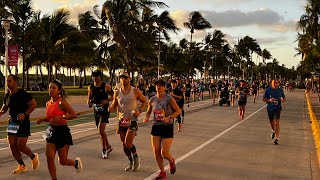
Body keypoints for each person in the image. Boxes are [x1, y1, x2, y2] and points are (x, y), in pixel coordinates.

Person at [37, 79, 82, 180]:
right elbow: (51, 118)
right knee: (49, 157)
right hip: (51, 131)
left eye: (53, 88)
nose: (51, 90)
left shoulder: (62, 102)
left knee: (63, 161)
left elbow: (74, 115)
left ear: (59, 90)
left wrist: (62, 117)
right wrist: (43, 119)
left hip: (62, 132)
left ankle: (75, 163)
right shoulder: (48, 103)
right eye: (49, 88)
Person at [108, 72, 147, 172]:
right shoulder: (117, 92)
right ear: (120, 80)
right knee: (124, 144)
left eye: (125, 78)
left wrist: (140, 111)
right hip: (121, 120)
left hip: (132, 120)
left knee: (128, 142)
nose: (123, 80)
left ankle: (136, 157)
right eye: (121, 78)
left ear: (129, 79)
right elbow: (114, 104)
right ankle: (130, 161)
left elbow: (145, 102)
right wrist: (111, 108)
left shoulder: (135, 91)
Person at [0, 74, 39, 174]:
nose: (7, 83)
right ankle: (22, 165)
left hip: (23, 123)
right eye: (7, 81)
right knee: (12, 146)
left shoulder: (23, 94)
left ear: (15, 82)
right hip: (12, 123)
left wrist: (25, 114)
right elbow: (5, 107)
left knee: (20, 146)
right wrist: (0, 113)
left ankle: (33, 157)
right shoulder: (7, 95)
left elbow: (34, 104)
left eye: (9, 81)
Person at [144, 79, 181, 179]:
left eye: (161, 85)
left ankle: (171, 161)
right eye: (157, 85)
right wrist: (147, 117)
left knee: (164, 153)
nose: (158, 87)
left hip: (167, 127)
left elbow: (178, 111)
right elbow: (148, 111)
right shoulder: (152, 99)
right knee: (156, 151)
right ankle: (162, 172)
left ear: (164, 87)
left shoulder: (169, 98)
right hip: (156, 126)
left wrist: (169, 117)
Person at [87, 70, 113, 159]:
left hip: (105, 111)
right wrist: (90, 102)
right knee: (101, 132)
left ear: (100, 77)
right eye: (93, 76)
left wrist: (107, 100)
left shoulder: (106, 86)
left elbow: (114, 96)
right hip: (96, 111)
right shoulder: (90, 87)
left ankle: (104, 149)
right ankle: (109, 146)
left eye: (97, 76)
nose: (95, 78)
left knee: (101, 130)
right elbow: (89, 100)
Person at [262, 80, 286, 145]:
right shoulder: (268, 90)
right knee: (272, 123)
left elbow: (284, 98)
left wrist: (283, 100)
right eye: (273, 83)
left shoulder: (280, 90)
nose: (275, 84)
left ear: (278, 83)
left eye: (276, 83)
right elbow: (263, 99)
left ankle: (277, 139)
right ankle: (273, 130)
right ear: (271, 84)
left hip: (278, 108)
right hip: (270, 108)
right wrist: (269, 100)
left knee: (276, 123)